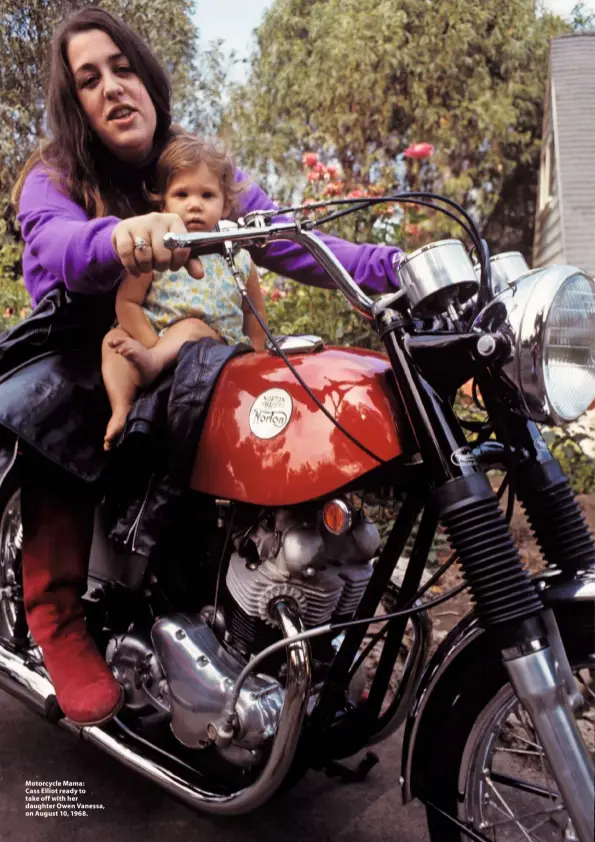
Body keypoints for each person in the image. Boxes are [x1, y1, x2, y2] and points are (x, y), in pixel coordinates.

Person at [4, 5, 404, 727]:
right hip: (88, 344)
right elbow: (54, 243)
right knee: (58, 409)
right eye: (89, 80)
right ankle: (56, 616)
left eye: (123, 68)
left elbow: (288, 238)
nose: (112, 88)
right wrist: (118, 235)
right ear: (76, 105)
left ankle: (237, 616)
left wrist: (396, 266)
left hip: (188, 354)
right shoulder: (54, 171)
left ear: (149, 78)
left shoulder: (195, 169)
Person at [102, 132, 267, 450]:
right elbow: (127, 302)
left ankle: (151, 367)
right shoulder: (156, 252)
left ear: (225, 204)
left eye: (207, 195)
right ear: (162, 202)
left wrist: (258, 358)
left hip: (212, 350)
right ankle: (121, 408)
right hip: (154, 340)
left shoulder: (239, 258)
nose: (194, 205)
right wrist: (153, 346)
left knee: (191, 328)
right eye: (182, 194)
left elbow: (254, 314)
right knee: (112, 341)